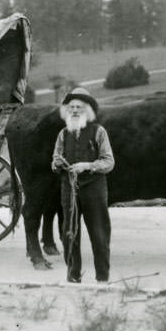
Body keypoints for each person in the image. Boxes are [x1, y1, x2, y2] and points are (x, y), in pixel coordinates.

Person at [51, 87, 115, 284]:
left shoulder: (99, 132)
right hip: (68, 188)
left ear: (87, 110)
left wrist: (88, 165)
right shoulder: (63, 134)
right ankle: (73, 276)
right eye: (71, 107)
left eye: (79, 107)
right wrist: (57, 164)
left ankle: (102, 279)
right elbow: (54, 159)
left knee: (99, 233)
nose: (75, 111)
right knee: (69, 233)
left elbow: (109, 162)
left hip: (94, 188)